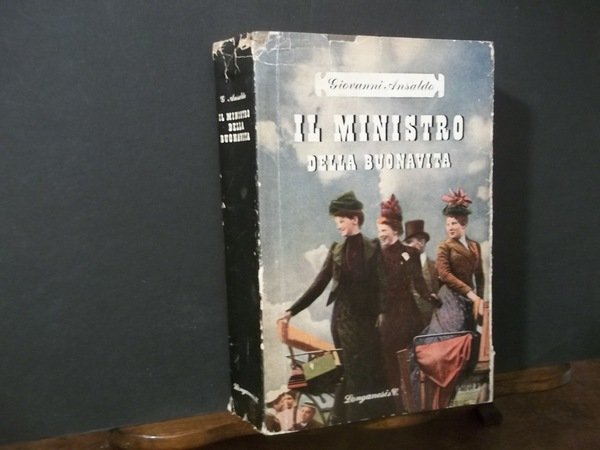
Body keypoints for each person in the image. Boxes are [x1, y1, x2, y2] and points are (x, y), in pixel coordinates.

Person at [280, 191, 392, 423]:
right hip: (343, 319)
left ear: (355, 219)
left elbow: (383, 283)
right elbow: (319, 284)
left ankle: (344, 417)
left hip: (368, 320)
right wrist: (292, 310)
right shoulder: (336, 250)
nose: (338, 225)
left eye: (341, 221)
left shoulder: (373, 247)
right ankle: (348, 418)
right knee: (352, 367)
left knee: (367, 369)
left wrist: (382, 312)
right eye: (336, 222)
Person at [376, 195, 437, 413]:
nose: (380, 234)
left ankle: (421, 403)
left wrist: (430, 296)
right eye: (379, 230)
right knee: (391, 366)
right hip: (388, 318)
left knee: (416, 360)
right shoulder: (377, 256)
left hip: (409, 315)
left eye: (384, 230)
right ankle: (397, 408)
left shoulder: (410, 253)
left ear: (395, 230)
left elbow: (418, 282)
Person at [427, 188, 485, 334]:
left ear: (463, 224)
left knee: (470, 336)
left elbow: (479, 276)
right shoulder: (444, 246)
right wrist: (470, 293)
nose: (450, 228)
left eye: (454, 223)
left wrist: (479, 300)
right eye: (447, 224)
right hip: (450, 299)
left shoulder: (474, 246)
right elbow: (444, 274)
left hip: (469, 300)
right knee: (452, 336)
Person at [404, 220, 439, 324]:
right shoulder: (402, 265)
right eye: (407, 243)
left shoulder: (435, 267)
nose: (408, 246)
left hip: (430, 319)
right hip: (407, 319)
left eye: (410, 242)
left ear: (421, 242)